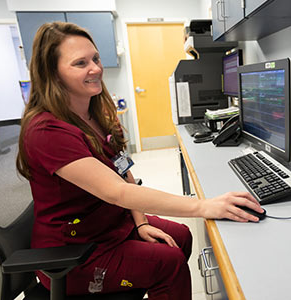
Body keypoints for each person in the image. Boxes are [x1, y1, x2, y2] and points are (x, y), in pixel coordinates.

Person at [16, 21, 264, 299]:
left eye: (95, 58)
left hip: (109, 227)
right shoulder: (47, 131)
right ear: (52, 73)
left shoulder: (95, 116)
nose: (96, 68)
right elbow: (117, 192)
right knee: (167, 265)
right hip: (73, 254)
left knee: (181, 236)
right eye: (80, 63)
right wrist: (204, 206)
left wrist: (141, 222)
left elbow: (123, 173)